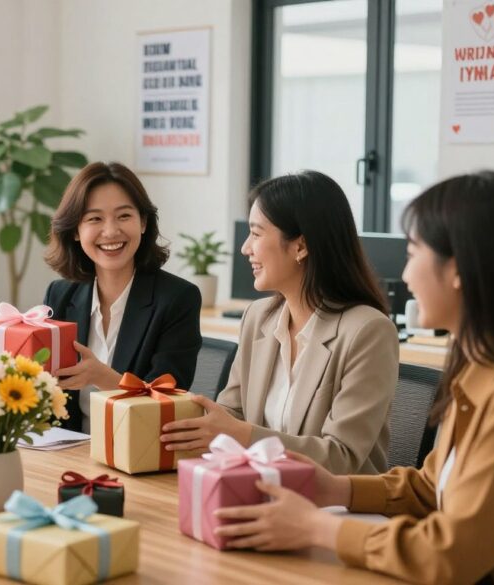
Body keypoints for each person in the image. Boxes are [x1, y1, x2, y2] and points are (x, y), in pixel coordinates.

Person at [212, 170, 494, 585]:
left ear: (459, 269)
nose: (406, 276)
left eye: (413, 254)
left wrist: (316, 526)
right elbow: (430, 489)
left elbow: (451, 554)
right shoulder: (478, 368)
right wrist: (334, 490)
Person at [161, 171, 398, 474]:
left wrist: (243, 435)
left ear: (300, 246)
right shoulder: (258, 317)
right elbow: (232, 412)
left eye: (257, 234)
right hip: (258, 493)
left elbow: (341, 457)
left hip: (335, 510)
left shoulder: (368, 331)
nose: (246, 248)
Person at [43, 161, 202, 433]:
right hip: (70, 453)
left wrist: (106, 379)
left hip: (138, 456)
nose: (111, 231)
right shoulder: (59, 295)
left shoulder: (178, 299)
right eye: (95, 219)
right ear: (75, 232)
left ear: (143, 222)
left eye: (124, 216)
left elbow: (167, 405)